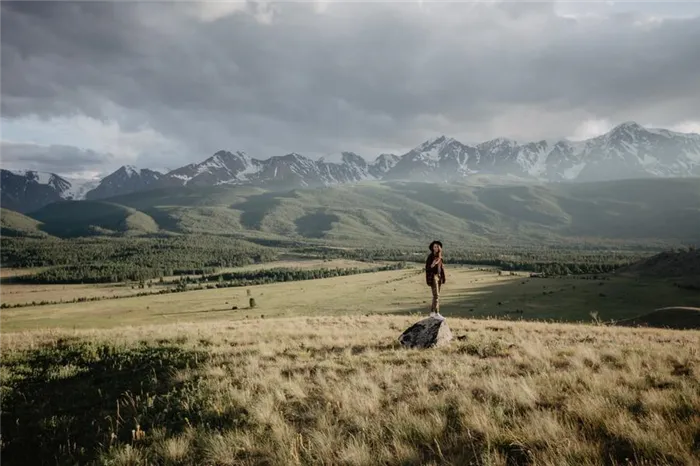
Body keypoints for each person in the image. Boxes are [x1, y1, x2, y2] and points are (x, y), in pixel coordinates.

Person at [425, 240, 446, 316]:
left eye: (437, 246)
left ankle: (437, 313)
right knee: (436, 295)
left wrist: (443, 278)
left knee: (437, 296)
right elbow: (427, 268)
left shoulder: (440, 257)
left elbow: (442, 268)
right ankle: (433, 312)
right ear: (432, 248)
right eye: (434, 247)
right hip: (433, 276)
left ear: (439, 248)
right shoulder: (430, 257)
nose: (436, 248)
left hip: (439, 277)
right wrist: (432, 265)